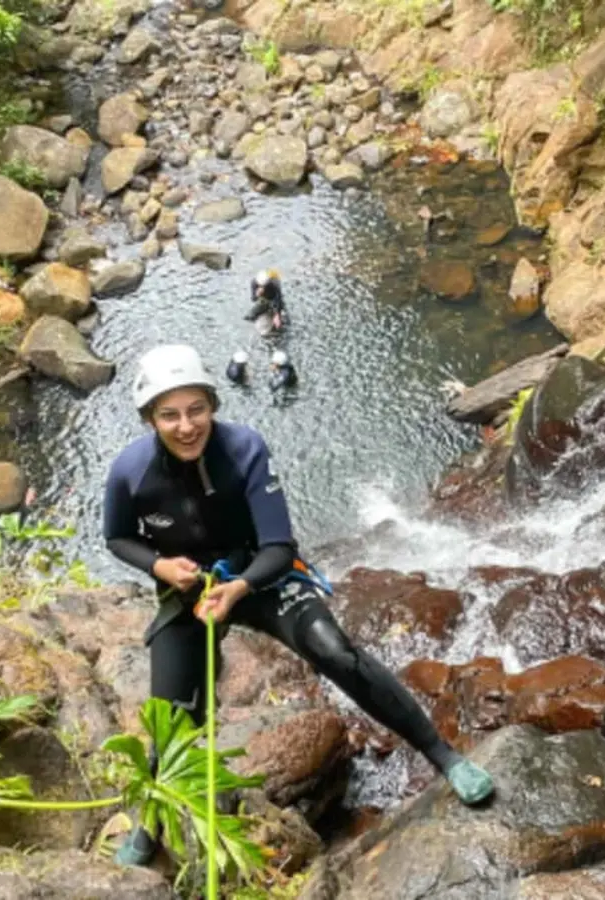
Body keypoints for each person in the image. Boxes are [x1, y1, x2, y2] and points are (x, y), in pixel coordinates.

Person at [103, 344, 494, 867]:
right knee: (174, 713)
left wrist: (239, 587)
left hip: (260, 577)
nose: (186, 425)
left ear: (213, 406)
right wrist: (161, 568)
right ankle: (151, 820)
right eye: (169, 414)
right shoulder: (129, 472)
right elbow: (118, 538)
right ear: (150, 418)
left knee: (337, 652)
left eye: (196, 409)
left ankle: (442, 754)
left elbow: (279, 547)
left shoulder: (244, 449)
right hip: (189, 588)